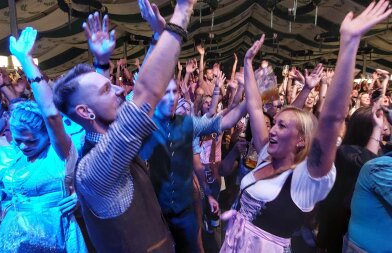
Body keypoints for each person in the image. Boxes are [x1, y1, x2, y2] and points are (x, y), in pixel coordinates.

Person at [219, 1, 392, 252]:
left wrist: (349, 43)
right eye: (275, 124)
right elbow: (256, 108)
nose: (273, 130)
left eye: (282, 126)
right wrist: (247, 63)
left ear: (301, 139)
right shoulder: (267, 154)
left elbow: (332, 119)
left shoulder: (305, 178)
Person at [52, 0, 198, 251]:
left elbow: (134, 94)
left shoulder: (104, 138)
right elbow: (145, 92)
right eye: (108, 88)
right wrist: (182, 12)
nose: (121, 90)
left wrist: (155, 37)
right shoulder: (92, 170)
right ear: (85, 112)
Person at [0, 26, 88, 252]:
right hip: (13, 242)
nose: (24, 146)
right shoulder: (17, 159)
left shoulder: (60, 154)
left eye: (31, 141)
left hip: (54, 239)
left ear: (47, 134)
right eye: (19, 140)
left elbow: (51, 114)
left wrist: (26, 60)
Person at [139, 78, 246, 252]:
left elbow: (226, 121)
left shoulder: (188, 124)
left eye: (175, 92)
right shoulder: (144, 126)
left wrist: (251, 97)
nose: (172, 97)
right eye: (166, 92)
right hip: (156, 210)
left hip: (185, 208)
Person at [317, 105, 384, 252]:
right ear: (367, 128)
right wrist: (377, 128)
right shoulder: (345, 151)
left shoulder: (382, 151)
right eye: (380, 124)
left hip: (361, 222)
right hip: (339, 221)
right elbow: (365, 164)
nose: (385, 127)